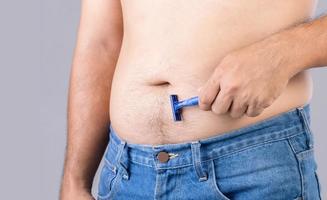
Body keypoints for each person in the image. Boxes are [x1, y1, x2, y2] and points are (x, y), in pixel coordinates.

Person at [60, 0, 326, 199]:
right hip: (127, 176)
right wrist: (75, 180)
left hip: (250, 173)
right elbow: (101, 41)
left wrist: (284, 52)